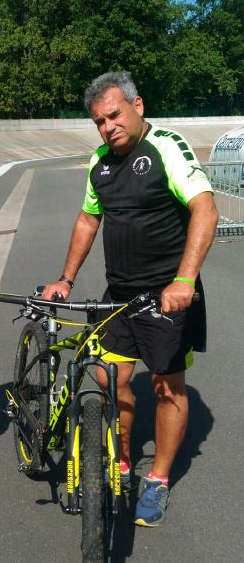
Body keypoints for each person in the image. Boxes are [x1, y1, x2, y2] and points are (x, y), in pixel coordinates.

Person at [43, 71, 218, 527]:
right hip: (118, 293)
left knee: (166, 387)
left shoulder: (166, 147)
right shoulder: (99, 162)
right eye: (99, 121)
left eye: (114, 115)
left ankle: (157, 480)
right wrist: (65, 277)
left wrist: (184, 280)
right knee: (109, 378)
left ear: (137, 106)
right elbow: (88, 219)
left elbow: (205, 208)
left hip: (167, 294)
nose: (108, 127)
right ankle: (120, 461)